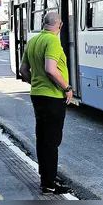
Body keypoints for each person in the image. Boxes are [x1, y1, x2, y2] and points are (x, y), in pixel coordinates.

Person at [18, 12, 73, 195]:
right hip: (53, 97)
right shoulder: (53, 41)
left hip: (37, 96)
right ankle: (49, 184)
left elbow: (23, 70)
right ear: (60, 25)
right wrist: (67, 87)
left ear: (43, 24)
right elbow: (51, 69)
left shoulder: (33, 41)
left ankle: (45, 176)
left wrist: (35, 83)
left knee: (42, 138)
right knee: (51, 141)